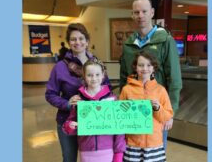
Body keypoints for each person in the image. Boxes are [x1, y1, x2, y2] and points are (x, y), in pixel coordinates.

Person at [119, 0, 182, 150]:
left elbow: (174, 77)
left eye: (144, 11)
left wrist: (170, 111)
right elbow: (123, 77)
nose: (140, 16)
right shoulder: (128, 45)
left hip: (156, 110)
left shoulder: (165, 40)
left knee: (155, 153)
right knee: (133, 153)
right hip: (133, 110)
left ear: (152, 12)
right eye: (136, 12)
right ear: (132, 14)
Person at [45, 23, 110, 162]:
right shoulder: (60, 67)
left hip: (94, 120)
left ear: (87, 41)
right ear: (69, 42)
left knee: (93, 158)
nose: (77, 42)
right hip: (68, 120)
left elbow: (107, 88)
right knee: (69, 159)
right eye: (73, 39)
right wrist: (67, 104)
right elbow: (50, 94)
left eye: (81, 38)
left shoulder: (97, 64)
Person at [62, 58, 126, 162]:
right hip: (86, 151)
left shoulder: (112, 99)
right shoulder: (79, 100)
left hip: (108, 151)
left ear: (103, 75)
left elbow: (119, 129)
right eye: (89, 75)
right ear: (84, 76)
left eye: (97, 74)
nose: (94, 78)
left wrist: (118, 154)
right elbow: (70, 123)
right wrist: (70, 126)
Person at [119, 51, 173, 162]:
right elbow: (120, 116)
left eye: (149, 65)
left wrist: (158, 108)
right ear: (135, 67)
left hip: (154, 142)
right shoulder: (127, 89)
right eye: (141, 65)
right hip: (133, 142)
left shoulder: (161, 90)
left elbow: (166, 117)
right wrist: (128, 108)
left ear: (154, 68)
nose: (145, 68)